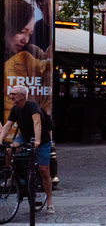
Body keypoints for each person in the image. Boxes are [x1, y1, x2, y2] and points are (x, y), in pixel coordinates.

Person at [0, 86, 54, 214]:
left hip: (42, 140)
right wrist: (0, 139)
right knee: (9, 151)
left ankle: (50, 202)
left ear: (23, 96)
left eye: (14, 94)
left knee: (44, 171)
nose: (11, 96)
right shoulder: (15, 109)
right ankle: (10, 176)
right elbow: (8, 125)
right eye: (10, 94)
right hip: (24, 137)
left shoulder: (32, 106)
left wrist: (37, 140)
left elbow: (37, 123)